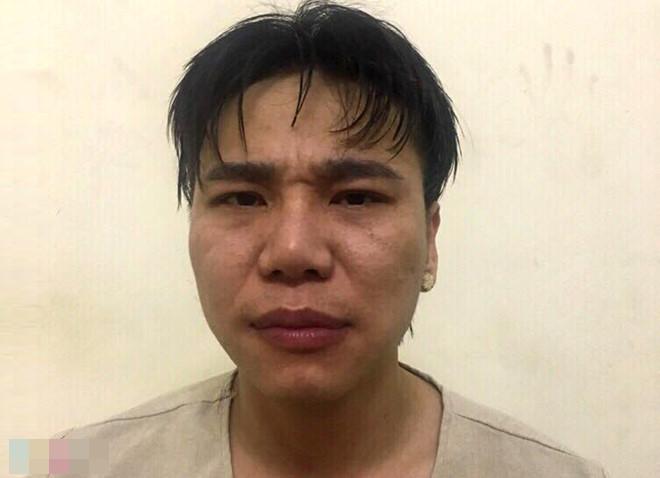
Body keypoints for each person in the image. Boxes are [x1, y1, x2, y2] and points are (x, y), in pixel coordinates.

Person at [40, 1, 607, 476]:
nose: (293, 253)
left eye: (356, 197)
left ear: (430, 240)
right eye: (243, 198)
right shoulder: (69, 465)